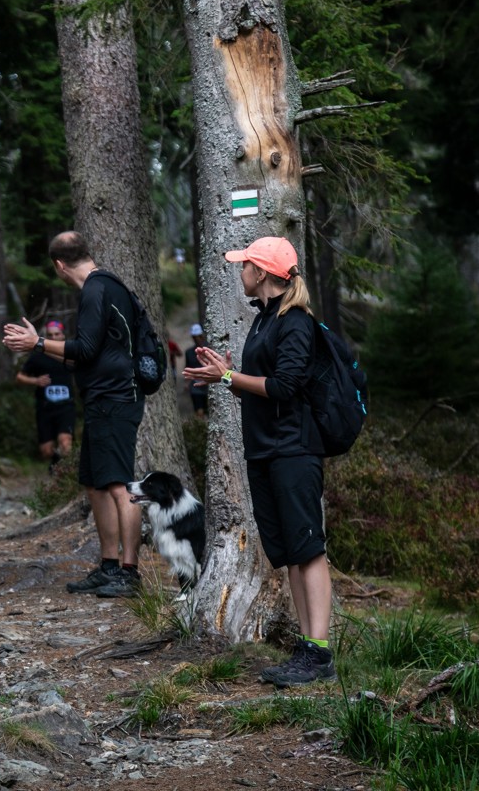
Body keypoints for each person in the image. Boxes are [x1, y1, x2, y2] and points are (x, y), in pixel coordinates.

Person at [182, 236, 335, 687]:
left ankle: (320, 652)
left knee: (309, 549)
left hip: (294, 452)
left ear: (263, 273)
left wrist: (230, 375)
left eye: (245, 265)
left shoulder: (296, 322)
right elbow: (263, 386)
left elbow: (286, 386)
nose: (241, 272)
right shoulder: (265, 319)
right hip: (266, 451)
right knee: (289, 552)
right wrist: (225, 376)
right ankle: (307, 648)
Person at [2, 232, 146, 598]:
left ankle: (129, 574)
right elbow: (89, 354)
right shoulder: (104, 286)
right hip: (100, 399)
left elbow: (84, 348)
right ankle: (109, 565)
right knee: (95, 483)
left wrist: (36, 343)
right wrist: (39, 345)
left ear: (59, 265)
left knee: (118, 484)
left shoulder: (97, 289)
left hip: (117, 399)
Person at [14, 320, 76, 470]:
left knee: (65, 442)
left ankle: (67, 476)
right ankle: (55, 461)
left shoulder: (70, 353)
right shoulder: (38, 356)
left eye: (57, 334)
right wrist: (35, 380)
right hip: (45, 407)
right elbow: (19, 377)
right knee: (46, 451)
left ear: (63, 335)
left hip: (66, 407)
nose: (54, 337)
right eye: (50, 335)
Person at [184, 323, 209, 418]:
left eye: (198, 336)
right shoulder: (189, 353)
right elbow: (188, 367)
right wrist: (187, 382)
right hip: (196, 386)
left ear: (202, 336)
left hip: (209, 385)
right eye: (194, 337)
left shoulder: (209, 350)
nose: (196, 339)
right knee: (199, 411)